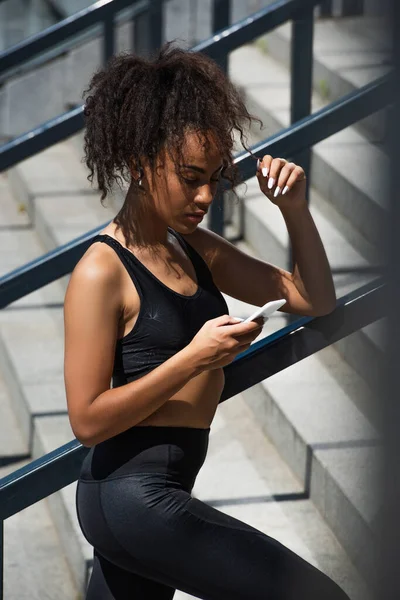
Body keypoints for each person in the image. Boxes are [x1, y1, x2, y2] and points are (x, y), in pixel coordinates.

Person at [63, 43, 347, 599]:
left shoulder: (192, 246)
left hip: (152, 499)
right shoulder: (100, 271)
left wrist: (294, 210)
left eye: (215, 178)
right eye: (190, 177)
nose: (205, 196)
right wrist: (196, 356)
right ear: (141, 163)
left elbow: (312, 299)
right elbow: (88, 421)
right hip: (131, 498)